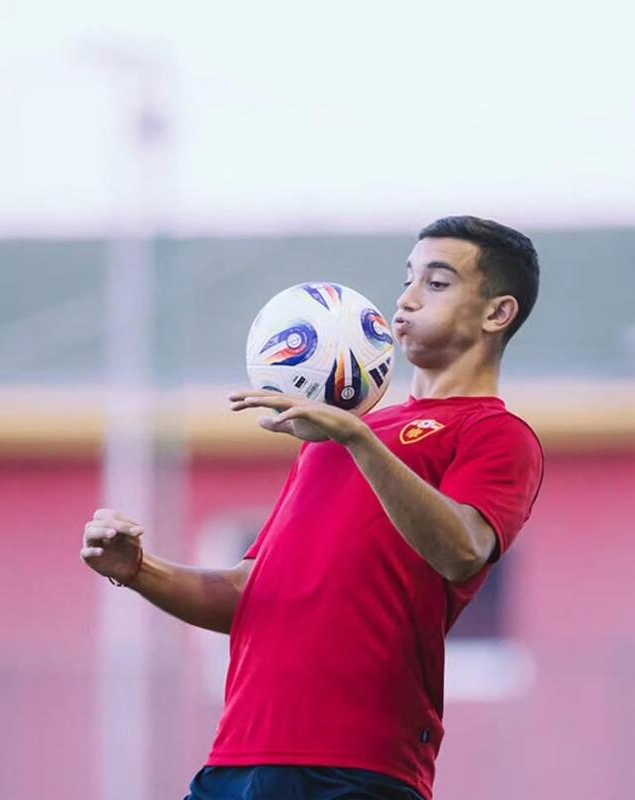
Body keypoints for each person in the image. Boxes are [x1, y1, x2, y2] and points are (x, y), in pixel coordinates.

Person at [81, 216, 545, 800]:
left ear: (497, 313)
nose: (405, 299)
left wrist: (357, 439)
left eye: (436, 282)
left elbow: (464, 551)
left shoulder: (494, 434)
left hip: (357, 768)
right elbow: (249, 594)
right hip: (236, 760)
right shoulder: (333, 436)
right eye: (407, 279)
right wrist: (139, 570)